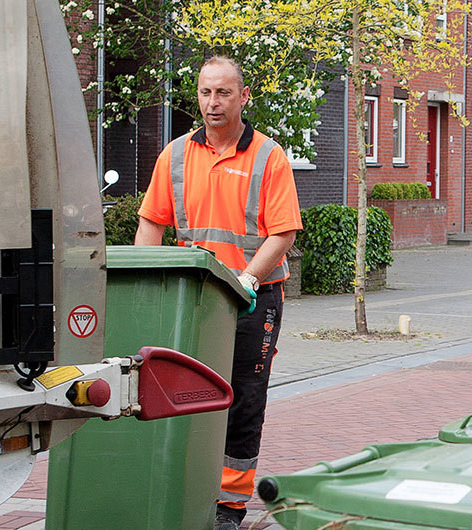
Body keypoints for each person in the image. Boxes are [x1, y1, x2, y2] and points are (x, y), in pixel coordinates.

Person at [135, 55, 300, 528]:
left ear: (243, 97)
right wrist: (148, 280)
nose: (213, 103)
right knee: (184, 394)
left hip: (253, 298)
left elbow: (283, 232)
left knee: (243, 399)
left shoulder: (269, 156)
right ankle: (184, 489)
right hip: (195, 299)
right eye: (206, 92)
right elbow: (151, 225)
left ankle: (228, 505)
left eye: (224, 92)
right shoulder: (175, 155)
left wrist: (247, 277)